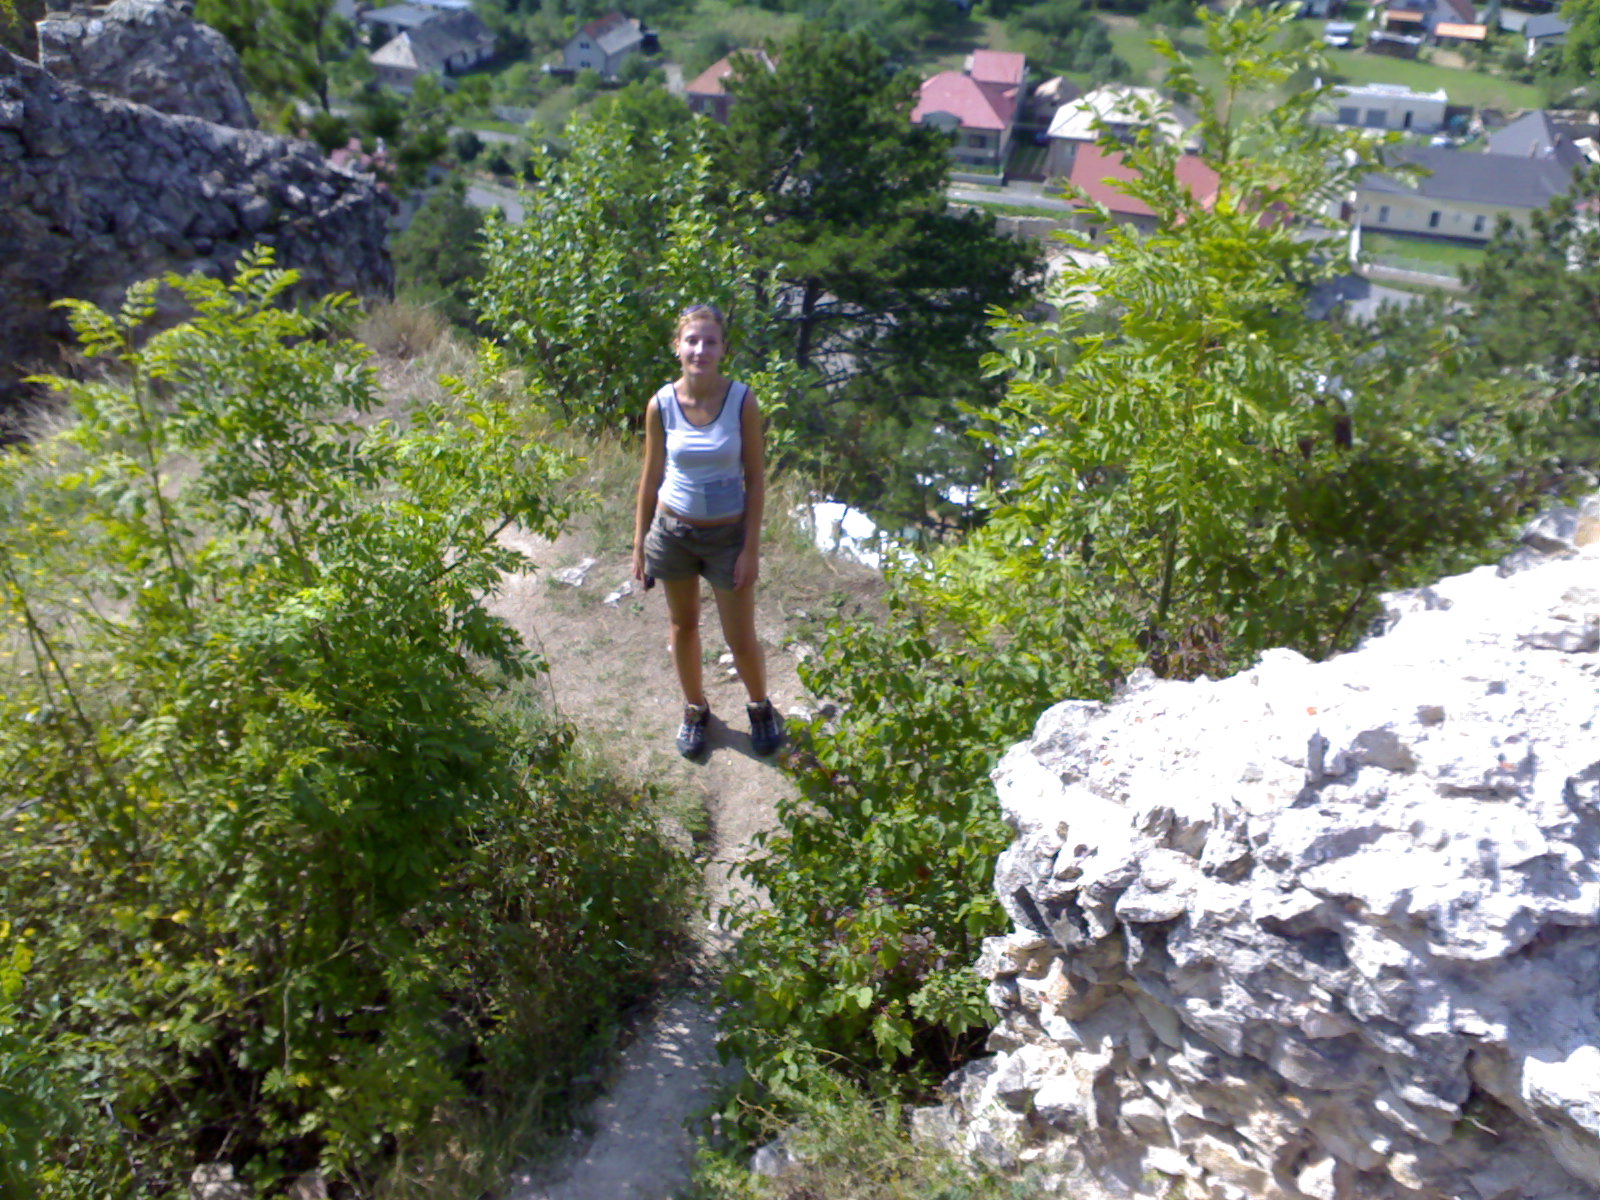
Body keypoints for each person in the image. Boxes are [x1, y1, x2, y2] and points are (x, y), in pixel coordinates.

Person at [632, 304, 783, 760]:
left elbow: (755, 478)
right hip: (673, 531)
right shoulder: (661, 404)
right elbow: (650, 478)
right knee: (683, 626)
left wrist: (750, 549)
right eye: (692, 340)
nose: (700, 350)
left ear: (723, 350)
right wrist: (640, 544)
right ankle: (695, 710)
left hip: (727, 536)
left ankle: (760, 707)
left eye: (710, 342)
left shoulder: (742, 400)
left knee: (740, 637)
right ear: (677, 347)